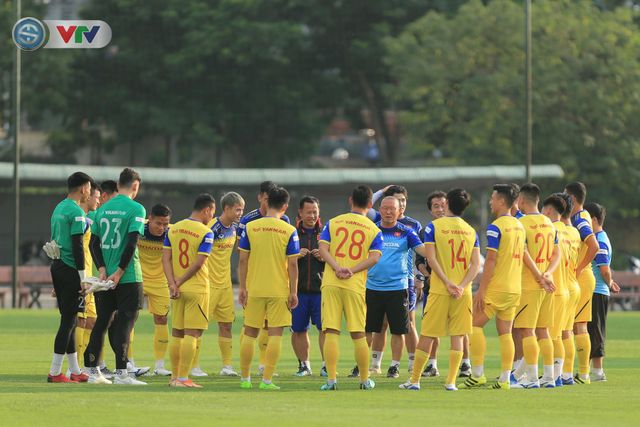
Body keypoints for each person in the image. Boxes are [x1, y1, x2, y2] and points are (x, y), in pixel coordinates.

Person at [400, 188, 480, 391]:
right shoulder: (471, 231)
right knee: (458, 336)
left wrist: (446, 282)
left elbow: (431, 258)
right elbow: (475, 264)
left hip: (439, 289)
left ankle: (415, 380)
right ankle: (451, 381)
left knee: (427, 334)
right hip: (463, 293)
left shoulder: (433, 227)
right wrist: (461, 286)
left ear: (447, 204)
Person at [84, 168, 147, 385]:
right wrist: (120, 271)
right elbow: (131, 242)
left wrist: (102, 268)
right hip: (128, 276)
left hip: (106, 275)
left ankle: (92, 371)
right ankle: (122, 374)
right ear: (135, 187)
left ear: (119, 184)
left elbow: (94, 243)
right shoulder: (136, 208)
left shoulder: (103, 208)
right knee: (126, 323)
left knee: (102, 322)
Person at [318, 185, 383, 391]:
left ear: (350, 200)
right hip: (354, 285)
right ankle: (364, 380)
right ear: (371, 204)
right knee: (358, 334)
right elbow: (374, 257)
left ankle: (331, 380)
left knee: (331, 332)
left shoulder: (333, 222)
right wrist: (352, 270)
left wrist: (337, 267)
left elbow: (322, 248)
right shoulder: (374, 229)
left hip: (331, 282)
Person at [461, 184, 525, 390]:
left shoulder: (496, 226)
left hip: (497, 287)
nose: (490, 201)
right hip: (514, 287)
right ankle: (505, 379)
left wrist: (482, 289)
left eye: (492, 198)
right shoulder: (519, 225)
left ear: (501, 201)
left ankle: (478, 374)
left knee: (473, 325)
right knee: (505, 332)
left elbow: (490, 260)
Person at [238, 186, 300, 390]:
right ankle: (266, 380)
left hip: (254, 288)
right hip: (278, 289)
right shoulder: (289, 230)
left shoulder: (251, 227)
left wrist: (243, 287)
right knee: (275, 335)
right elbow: (292, 264)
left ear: (267, 202)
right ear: (285, 206)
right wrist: (293, 291)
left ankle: (245, 379)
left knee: (249, 333)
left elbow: (243, 261)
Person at [365, 196, 428, 379]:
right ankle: (366, 364)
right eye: (384, 208)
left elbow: (422, 250)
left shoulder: (407, 232)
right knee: (371, 329)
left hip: (398, 287)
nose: (388, 212)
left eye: (392, 208)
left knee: (399, 330)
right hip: (372, 286)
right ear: (380, 209)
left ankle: (394, 365)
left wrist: (438, 254)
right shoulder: (372, 230)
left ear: (400, 210)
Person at [163, 194, 215, 388]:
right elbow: (199, 263)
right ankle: (184, 378)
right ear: (207, 210)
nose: (211, 217)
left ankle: (174, 377)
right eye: (212, 212)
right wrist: (181, 280)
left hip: (177, 290)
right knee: (192, 334)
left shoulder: (173, 229)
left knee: (177, 333)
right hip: (197, 288)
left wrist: (172, 284)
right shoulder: (205, 232)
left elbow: (165, 259)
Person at [511, 183, 560, 389]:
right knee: (543, 332)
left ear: (521, 201)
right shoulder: (549, 223)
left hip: (529, 284)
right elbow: (557, 253)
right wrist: (547, 273)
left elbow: (523, 253)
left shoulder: (520, 223)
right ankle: (549, 377)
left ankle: (531, 379)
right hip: (547, 285)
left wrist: (539, 275)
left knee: (527, 332)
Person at [47, 171, 93, 383]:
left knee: (72, 319)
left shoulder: (59, 208)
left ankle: (74, 370)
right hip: (70, 269)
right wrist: (83, 276)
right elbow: (77, 246)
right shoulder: (76, 212)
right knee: (68, 320)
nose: (90, 193)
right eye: (90, 189)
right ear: (84, 189)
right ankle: (55, 372)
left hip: (58, 266)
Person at [194, 191, 245, 377]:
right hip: (207, 285)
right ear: (227, 208)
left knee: (226, 325)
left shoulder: (235, 228)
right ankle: (194, 366)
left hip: (225, 286)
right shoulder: (211, 227)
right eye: (238, 209)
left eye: (242, 210)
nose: (240, 213)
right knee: (198, 326)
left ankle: (227, 366)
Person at [565, 182, 599, 384]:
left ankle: (584, 373)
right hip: (578, 278)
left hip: (582, 278)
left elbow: (593, 245)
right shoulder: (577, 217)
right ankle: (570, 372)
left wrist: (578, 268)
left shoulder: (580, 219)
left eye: (565, 195)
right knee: (572, 325)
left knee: (579, 326)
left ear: (573, 198)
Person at [584, 202, 620, 382]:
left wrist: (610, 281)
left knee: (595, 331)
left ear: (594, 219)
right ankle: (587, 370)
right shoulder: (599, 237)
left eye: (585, 218)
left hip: (597, 290)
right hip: (596, 290)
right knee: (591, 330)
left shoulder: (599, 239)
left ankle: (598, 372)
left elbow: (604, 269)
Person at [292, 196, 326, 377]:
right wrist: (294, 255)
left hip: (322, 290)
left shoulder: (327, 232)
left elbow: (338, 258)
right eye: (309, 212)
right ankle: (304, 365)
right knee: (298, 330)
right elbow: (280, 259)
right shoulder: (292, 233)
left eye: (315, 212)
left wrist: (324, 257)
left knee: (325, 329)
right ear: (300, 213)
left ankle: (326, 365)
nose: (312, 216)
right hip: (298, 292)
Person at [137, 203, 172, 376]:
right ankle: (128, 363)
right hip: (138, 278)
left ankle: (160, 365)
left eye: (165, 224)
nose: (162, 228)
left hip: (160, 281)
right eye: (158, 223)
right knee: (129, 318)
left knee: (162, 319)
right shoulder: (138, 227)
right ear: (150, 218)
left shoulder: (171, 233)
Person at [541, 193, 571, 387]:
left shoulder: (550, 230)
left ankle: (551, 376)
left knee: (550, 336)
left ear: (549, 210)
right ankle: (561, 375)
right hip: (569, 287)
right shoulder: (573, 231)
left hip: (555, 288)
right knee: (562, 334)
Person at [75, 182, 101, 373]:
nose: (98, 201)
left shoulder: (86, 220)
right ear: (88, 196)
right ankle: (74, 367)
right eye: (97, 197)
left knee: (91, 320)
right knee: (80, 320)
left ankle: (84, 366)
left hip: (89, 277)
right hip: (80, 277)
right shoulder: (80, 220)